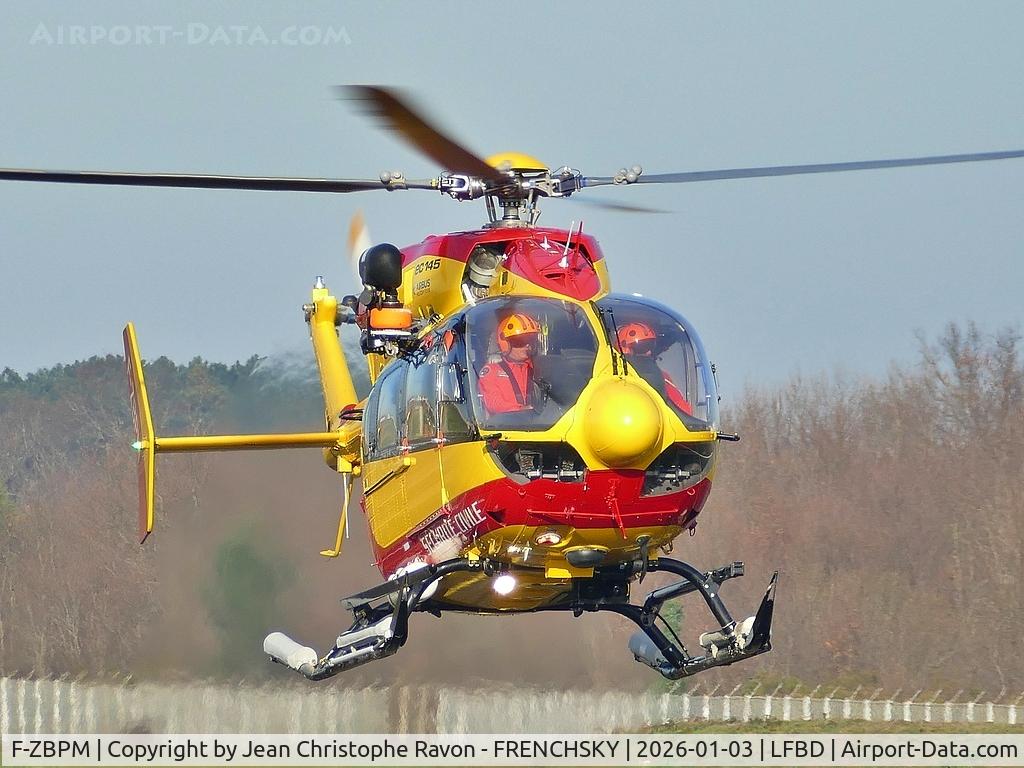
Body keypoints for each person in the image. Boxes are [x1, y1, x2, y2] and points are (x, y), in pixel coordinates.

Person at [617, 322, 694, 415]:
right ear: (625, 349)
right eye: (642, 347)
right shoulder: (614, 377)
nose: (649, 352)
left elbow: (684, 410)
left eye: (651, 346)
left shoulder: (663, 378)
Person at [478, 312, 541, 414]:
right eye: (520, 341)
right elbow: (494, 403)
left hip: (541, 421)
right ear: (505, 343)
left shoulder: (538, 366)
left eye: (530, 340)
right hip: (507, 422)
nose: (527, 345)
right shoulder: (492, 371)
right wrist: (520, 409)